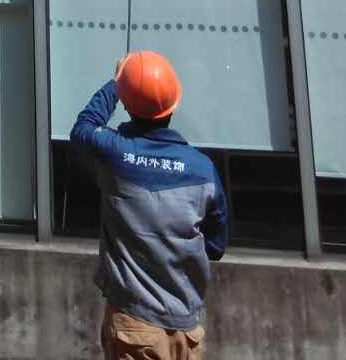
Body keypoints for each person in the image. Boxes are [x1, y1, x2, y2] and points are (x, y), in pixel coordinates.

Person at [71, 51, 228, 359]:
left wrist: (117, 82)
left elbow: (84, 127)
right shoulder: (203, 169)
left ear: (128, 105)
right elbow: (215, 245)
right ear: (174, 104)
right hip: (187, 331)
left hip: (134, 327)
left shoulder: (116, 155)